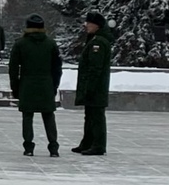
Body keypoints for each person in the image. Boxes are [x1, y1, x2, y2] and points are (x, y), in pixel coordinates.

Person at [9, 13, 63, 157]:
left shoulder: (20, 44)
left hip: (27, 84)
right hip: (46, 84)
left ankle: (28, 147)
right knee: (49, 116)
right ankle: (53, 147)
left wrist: (15, 87)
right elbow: (57, 68)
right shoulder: (51, 44)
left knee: (27, 116)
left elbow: (13, 69)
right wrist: (54, 86)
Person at [72, 10, 112, 156]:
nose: (86, 25)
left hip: (96, 87)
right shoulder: (94, 40)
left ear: (97, 26)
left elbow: (95, 68)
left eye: (89, 23)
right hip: (93, 86)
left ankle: (98, 145)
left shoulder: (98, 43)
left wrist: (90, 86)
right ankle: (87, 142)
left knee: (96, 116)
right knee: (89, 115)